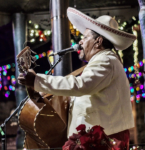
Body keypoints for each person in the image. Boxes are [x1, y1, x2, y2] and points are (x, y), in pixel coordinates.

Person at [18, 7, 136, 149]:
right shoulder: (102, 61)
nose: (80, 42)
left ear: (98, 41)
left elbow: (81, 85)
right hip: (94, 138)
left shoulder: (106, 60)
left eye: (85, 37)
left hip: (104, 139)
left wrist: (38, 81)